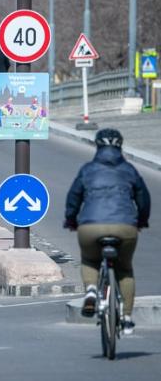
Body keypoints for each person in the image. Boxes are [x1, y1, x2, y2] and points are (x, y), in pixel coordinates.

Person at [64, 129, 151, 336]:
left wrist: (71, 220)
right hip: (125, 226)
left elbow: (73, 198)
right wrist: (141, 221)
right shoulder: (129, 170)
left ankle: (92, 290)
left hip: (90, 227)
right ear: (120, 146)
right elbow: (144, 199)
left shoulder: (87, 169)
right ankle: (127, 318)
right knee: (125, 269)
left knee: (89, 260)